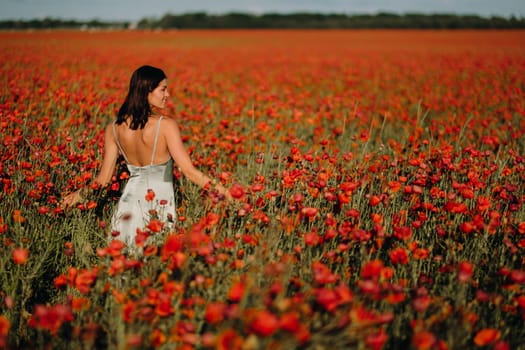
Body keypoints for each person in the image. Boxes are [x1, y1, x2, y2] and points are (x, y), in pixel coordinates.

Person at [62, 65, 232, 248]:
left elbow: (102, 180)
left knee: (123, 264)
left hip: (127, 206)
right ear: (147, 91)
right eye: (163, 89)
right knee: (154, 264)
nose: (167, 95)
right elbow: (190, 172)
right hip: (158, 207)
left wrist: (76, 197)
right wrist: (226, 193)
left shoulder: (113, 128)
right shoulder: (166, 125)